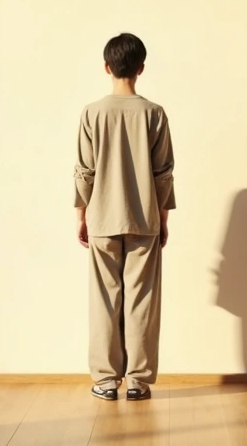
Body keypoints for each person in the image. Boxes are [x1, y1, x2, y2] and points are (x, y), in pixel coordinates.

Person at [74, 33, 176, 401]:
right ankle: (138, 382)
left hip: (102, 217)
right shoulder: (154, 113)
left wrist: (81, 214)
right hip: (144, 219)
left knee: (104, 298)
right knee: (142, 300)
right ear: (141, 68)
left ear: (107, 67)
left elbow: (84, 170)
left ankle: (105, 381)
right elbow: (164, 171)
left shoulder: (92, 112)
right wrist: (163, 217)